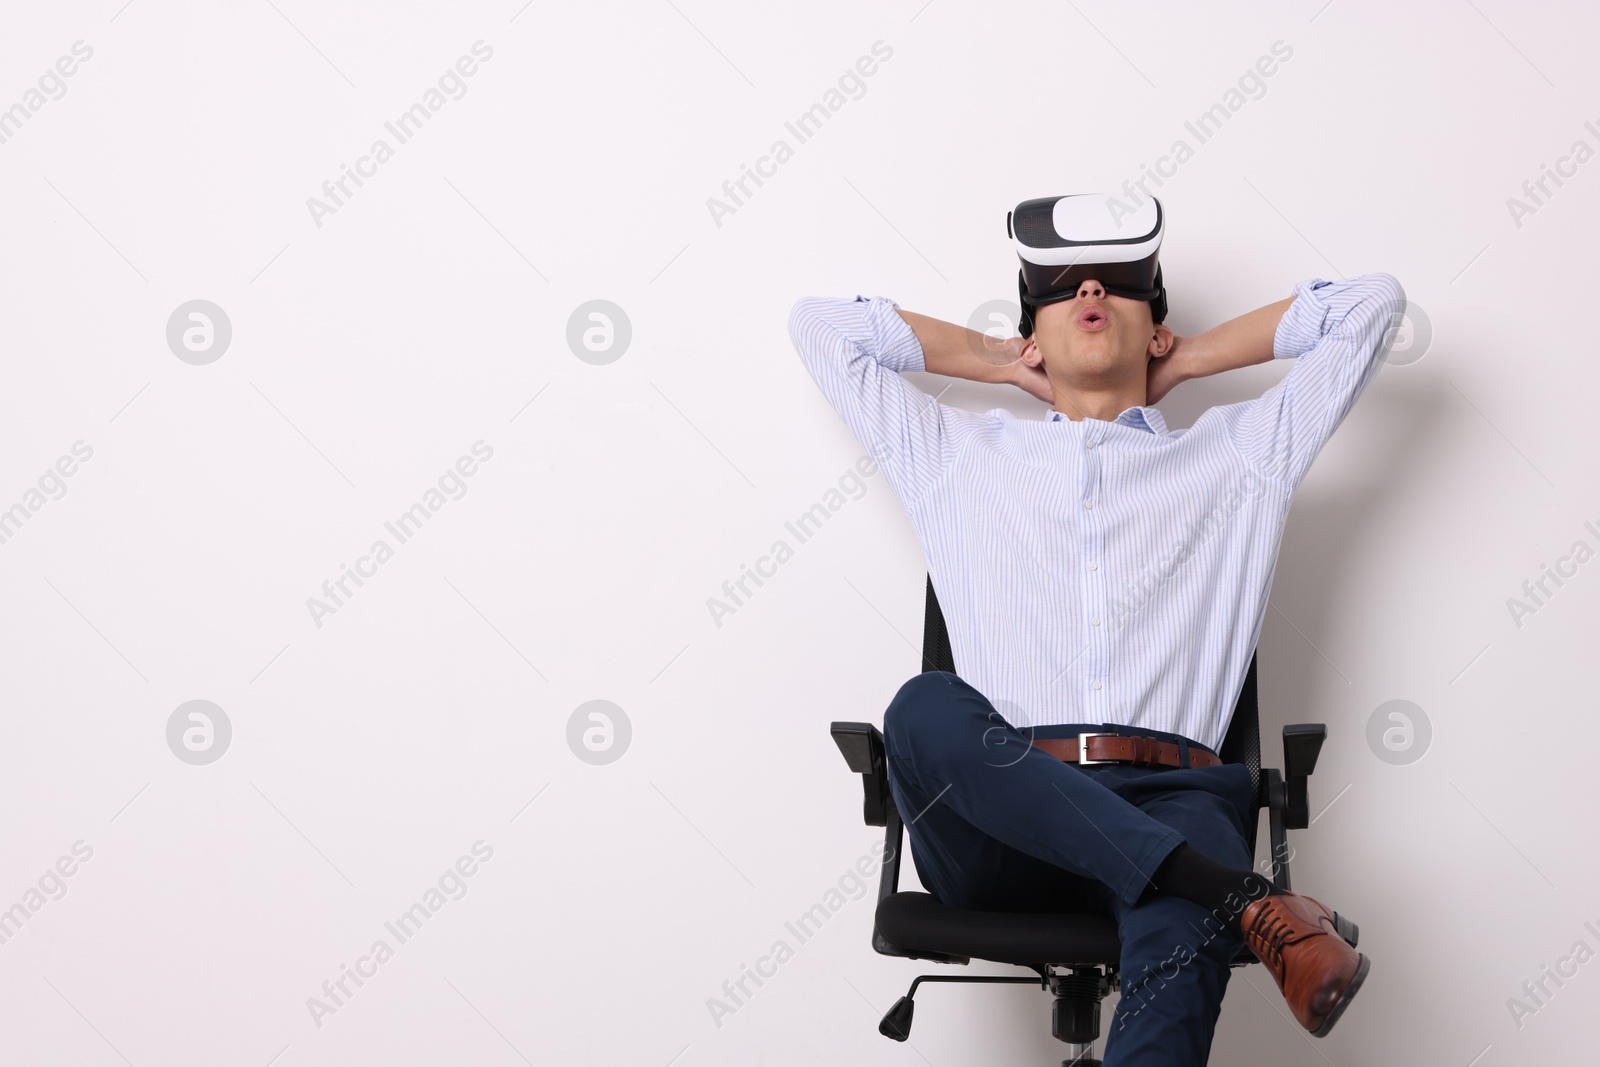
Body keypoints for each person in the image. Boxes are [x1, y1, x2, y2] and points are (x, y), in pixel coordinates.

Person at [788, 260, 1405, 1065]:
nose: (1085, 292)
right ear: (1033, 334)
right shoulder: (955, 454)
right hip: (999, 821)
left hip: (1172, 800)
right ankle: (1245, 900)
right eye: (1056, 290)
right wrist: (1002, 360)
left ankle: (1213, 891)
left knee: (1181, 918)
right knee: (922, 707)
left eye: (1117, 281)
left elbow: (1372, 304)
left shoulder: (1242, 455)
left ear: (1156, 327)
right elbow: (820, 325)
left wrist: (1183, 361)